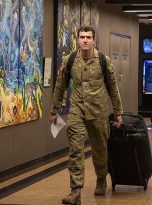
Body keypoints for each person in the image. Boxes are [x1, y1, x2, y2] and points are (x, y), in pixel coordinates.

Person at [50, 26, 123, 205]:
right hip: (76, 110)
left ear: (94, 40)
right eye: (82, 37)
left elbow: (113, 88)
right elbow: (60, 86)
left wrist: (118, 112)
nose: (85, 40)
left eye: (88, 37)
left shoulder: (103, 61)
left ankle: (100, 178)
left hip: (98, 111)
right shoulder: (70, 60)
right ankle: (75, 191)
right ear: (77, 39)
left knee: (100, 150)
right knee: (75, 149)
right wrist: (54, 109)